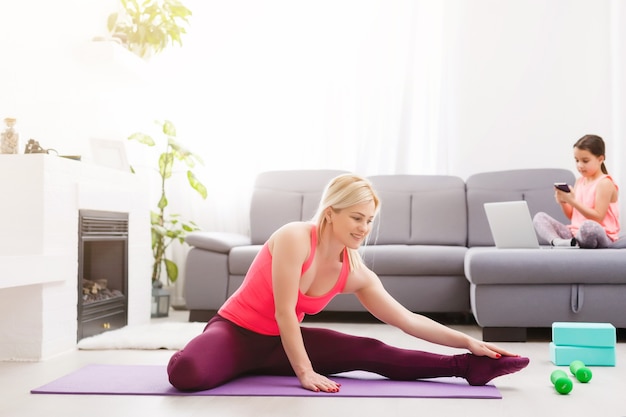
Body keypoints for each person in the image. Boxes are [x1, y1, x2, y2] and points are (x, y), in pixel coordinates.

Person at [167, 173, 529, 393]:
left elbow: (407, 320)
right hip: (236, 331)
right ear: (330, 214)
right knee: (186, 372)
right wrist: (305, 372)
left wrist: (471, 342)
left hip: (280, 344)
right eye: (357, 217)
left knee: (369, 349)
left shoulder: (354, 272)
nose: (364, 228)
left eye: (369, 220)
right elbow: (283, 312)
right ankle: (228, 359)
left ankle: (467, 368)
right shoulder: (294, 237)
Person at [533, 134, 620, 249]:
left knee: (588, 227)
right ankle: (558, 241)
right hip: (575, 235)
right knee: (540, 218)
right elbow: (572, 215)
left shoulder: (605, 183)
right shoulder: (580, 181)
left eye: (585, 161)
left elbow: (598, 217)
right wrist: (563, 202)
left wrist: (572, 201)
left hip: (600, 234)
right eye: (577, 160)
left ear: (600, 159)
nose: (580, 165)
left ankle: (576, 242)